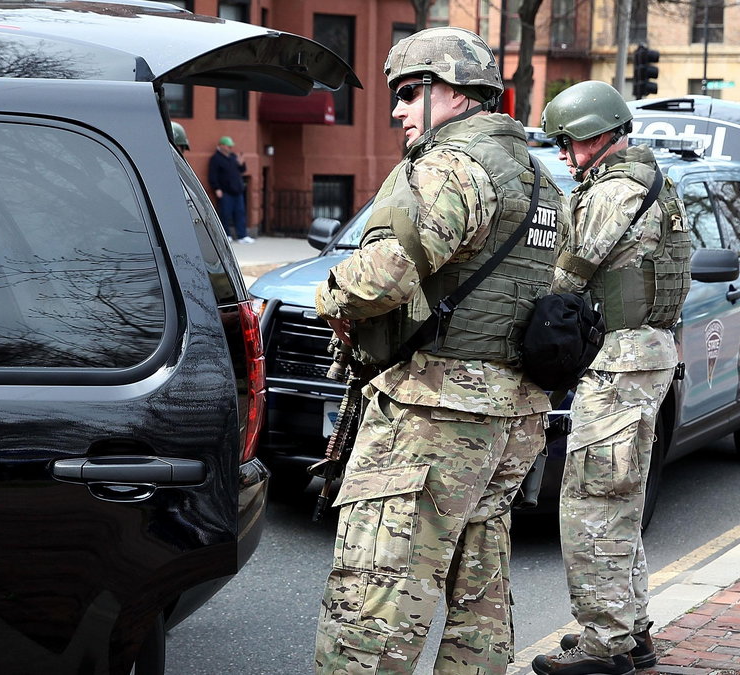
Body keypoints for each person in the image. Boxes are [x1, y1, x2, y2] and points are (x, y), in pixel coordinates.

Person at [312, 26, 567, 674]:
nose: (396, 110)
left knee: (377, 598)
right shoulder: (542, 183)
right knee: (479, 590)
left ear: (450, 92)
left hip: (438, 414)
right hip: (514, 415)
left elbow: (385, 273)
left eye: (406, 93)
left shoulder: (450, 165)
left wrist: (329, 296)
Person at [530, 80, 691, 675]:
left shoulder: (616, 189)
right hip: (644, 356)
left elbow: (568, 273)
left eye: (569, 144)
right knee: (620, 501)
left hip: (619, 363)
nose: (567, 158)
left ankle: (606, 644)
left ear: (598, 135)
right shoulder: (654, 181)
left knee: (589, 502)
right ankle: (633, 629)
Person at [208, 135, 253, 243]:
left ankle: (242, 235)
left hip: (237, 191)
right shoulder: (216, 159)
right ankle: (226, 235)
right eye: (228, 146)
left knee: (240, 213)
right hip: (225, 192)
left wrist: (242, 163)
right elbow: (212, 175)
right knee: (225, 214)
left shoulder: (233, 157)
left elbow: (242, 170)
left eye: (231, 147)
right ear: (222, 146)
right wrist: (217, 188)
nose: (230, 148)